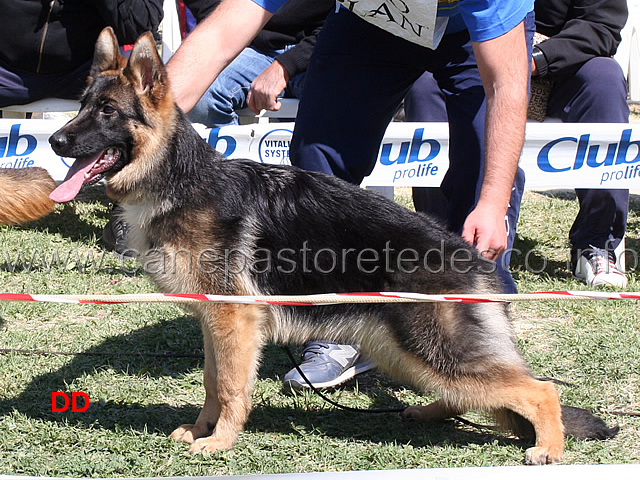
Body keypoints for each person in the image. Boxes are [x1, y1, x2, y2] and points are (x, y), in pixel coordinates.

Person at [166, 0, 535, 390]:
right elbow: (223, 31)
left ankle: (478, 350)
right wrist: (144, 113)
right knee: (317, 155)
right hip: (374, 23)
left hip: (472, 34)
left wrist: (493, 204)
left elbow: (505, 84)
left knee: (481, 183)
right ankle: (334, 330)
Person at [0, 0, 164, 257]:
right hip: (7, 67)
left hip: (85, 70)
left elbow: (139, 25)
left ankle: (126, 210)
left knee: (143, 107)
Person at [532, 0, 630, 288]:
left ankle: (597, 244)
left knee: (604, 79)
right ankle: (438, 244)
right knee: (426, 85)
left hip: (560, 62)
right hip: (475, 56)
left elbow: (601, 25)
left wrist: (538, 58)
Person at [183, 0, 334, 127]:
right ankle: (233, 161)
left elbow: (349, 18)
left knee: (344, 100)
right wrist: (224, 22)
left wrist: (287, 65)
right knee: (203, 93)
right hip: (257, 48)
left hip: (327, 49)